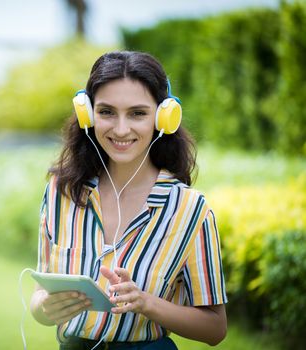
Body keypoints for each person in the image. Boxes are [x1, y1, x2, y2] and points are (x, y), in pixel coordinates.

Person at [29, 51, 227, 349]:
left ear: (163, 117)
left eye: (137, 113)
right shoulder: (61, 192)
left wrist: (146, 303)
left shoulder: (190, 209)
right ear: (88, 114)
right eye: (107, 112)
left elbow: (215, 328)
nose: (121, 129)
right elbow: (38, 296)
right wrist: (45, 308)